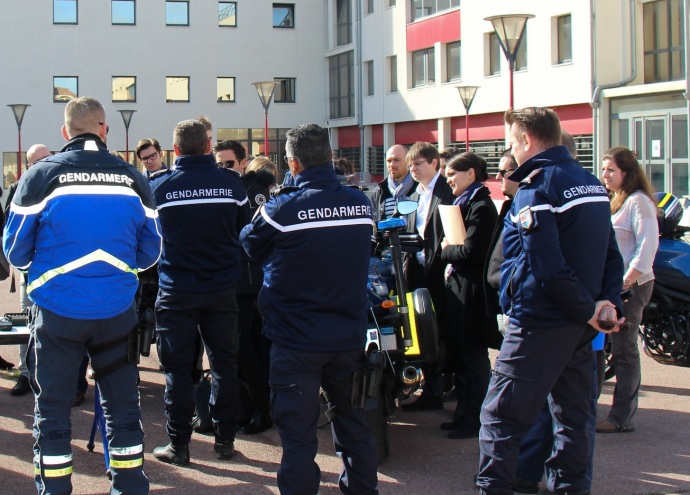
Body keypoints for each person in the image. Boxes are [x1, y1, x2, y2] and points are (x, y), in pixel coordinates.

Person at [3, 96, 160, 495]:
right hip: (115, 310)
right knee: (123, 408)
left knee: (52, 410)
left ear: (65, 132)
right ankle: (129, 486)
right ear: (104, 130)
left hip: (57, 311)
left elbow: (15, 249)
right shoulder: (133, 177)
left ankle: (55, 489)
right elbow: (152, 252)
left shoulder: (40, 174)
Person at [476, 107, 625, 495]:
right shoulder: (590, 182)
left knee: (500, 417)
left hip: (541, 320)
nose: (510, 149)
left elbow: (547, 266)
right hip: (580, 324)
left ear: (526, 139)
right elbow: (611, 254)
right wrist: (603, 306)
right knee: (574, 419)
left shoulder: (537, 187)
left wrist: (587, 310)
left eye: (511, 141)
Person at [240, 123, 379, 495]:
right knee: (354, 426)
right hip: (348, 335)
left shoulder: (282, 207)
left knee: (298, 439)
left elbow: (250, 244)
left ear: (292, 163)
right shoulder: (360, 203)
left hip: (295, 339)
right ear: (331, 158)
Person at [150, 120, 249, 465]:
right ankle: (225, 442)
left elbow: (149, 243)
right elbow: (244, 237)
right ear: (209, 147)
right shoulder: (233, 186)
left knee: (177, 370)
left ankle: (179, 446)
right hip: (221, 289)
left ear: (174, 150)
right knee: (224, 366)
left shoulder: (160, 188)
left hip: (177, 290)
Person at [439, 152, 502, 439]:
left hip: (474, 294)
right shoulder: (466, 202)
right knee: (463, 357)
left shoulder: (481, 207)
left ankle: (474, 418)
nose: (447, 178)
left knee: (474, 358)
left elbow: (470, 251)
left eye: (452, 173)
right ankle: (463, 413)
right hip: (461, 289)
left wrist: (445, 249)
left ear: (471, 174)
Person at [597, 146, 659, 434]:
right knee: (604, 348)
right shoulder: (616, 200)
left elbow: (647, 245)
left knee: (624, 350)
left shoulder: (638, 202)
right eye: (604, 169)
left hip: (632, 287)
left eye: (611, 170)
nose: (605, 175)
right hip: (614, 286)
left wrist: (628, 280)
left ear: (626, 173)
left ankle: (622, 417)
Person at [400, 141, 455, 412]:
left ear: (435, 163)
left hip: (440, 273)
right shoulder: (414, 195)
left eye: (418, 164)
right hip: (417, 271)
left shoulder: (447, 193)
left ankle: (439, 388)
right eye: (410, 165)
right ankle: (430, 386)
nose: (412, 169)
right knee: (420, 330)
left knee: (439, 331)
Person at [9, 144, 52, 397]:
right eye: (37, 161)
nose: (44, 164)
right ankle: (25, 375)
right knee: (26, 323)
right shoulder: (19, 188)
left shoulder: (61, 185)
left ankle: (53, 378)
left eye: (47, 158)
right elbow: (11, 232)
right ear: (28, 166)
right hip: (30, 272)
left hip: (56, 273)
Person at [372, 144, 417, 220]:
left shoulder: (419, 188)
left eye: (396, 160)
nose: (392, 165)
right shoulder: (379, 191)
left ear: (408, 162)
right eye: (389, 161)